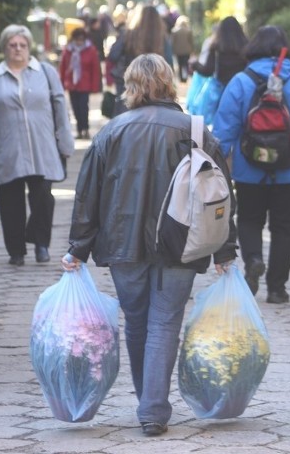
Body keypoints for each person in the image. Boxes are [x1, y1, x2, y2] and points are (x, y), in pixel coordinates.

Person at [60, 53, 238, 437]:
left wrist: (78, 247)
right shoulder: (194, 130)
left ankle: (149, 401)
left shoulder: (112, 131)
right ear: (170, 82)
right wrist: (224, 249)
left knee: (137, 321)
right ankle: (152, 408)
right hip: (181, 242)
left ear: (131, 86)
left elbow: (87, 196)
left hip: (123, 243)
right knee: (164, 322)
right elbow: (221, 194)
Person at [212, 25, 290, 302]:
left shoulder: (241, 82)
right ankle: (277, 288)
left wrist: (214, 164)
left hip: (249, 169)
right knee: (284, 227)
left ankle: (253, 260)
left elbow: (223, 131)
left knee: (250, 220)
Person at [0, 24, 74, 266]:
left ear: (29, 48)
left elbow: (61, 109)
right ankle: (16, 251)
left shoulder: (45, 72)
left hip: (42, 147)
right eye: (12, 45)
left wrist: (65, 143)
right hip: (6, 149)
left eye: (22, 45)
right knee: (10, 202)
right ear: (4, 48)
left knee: (43, 199)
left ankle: (40, 244)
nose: (18, 49)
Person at [107, 4, 173, 115]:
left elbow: (113, 55)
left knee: (126, 113)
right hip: (155, 82)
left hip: (129, 80)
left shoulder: (128, 34)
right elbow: (169, 61)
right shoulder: (162, 38)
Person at [59, 27, 101, 139]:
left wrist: (95, 86)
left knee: (83, 108)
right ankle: (79, 130)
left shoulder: (91, 50)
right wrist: (61, 84)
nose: (79, 42)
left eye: (81, 39)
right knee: (75, 108)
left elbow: (95, 69)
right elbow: (63, 67)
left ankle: (85, 129)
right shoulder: (68, 50)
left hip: (85, 84)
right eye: (77, 39)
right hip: (72, 85)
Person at [170, 15, 194, 82]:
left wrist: (173, 50)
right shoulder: (189, 30)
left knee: (179, 64)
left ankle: (181, 78)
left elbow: (173, 42)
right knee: (186, 64)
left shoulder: (174, 31)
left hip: (178, 51)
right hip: (187, 51)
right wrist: (192, 50)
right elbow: (191, 41)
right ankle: (186, 77)